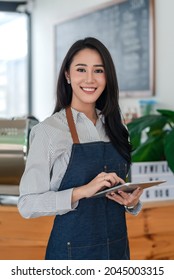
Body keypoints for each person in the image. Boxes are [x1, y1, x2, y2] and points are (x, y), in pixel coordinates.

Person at [18, 37, 143, 260]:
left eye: (98, 70)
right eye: (81, 69)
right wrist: (81, 192)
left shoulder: (117, 127)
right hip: (70, 257)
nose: (90, 79)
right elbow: (27, 204)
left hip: (117, 252)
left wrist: (131, 202)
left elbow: (120, 186)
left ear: (107, 77)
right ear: (67, 75)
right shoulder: (49, 131)